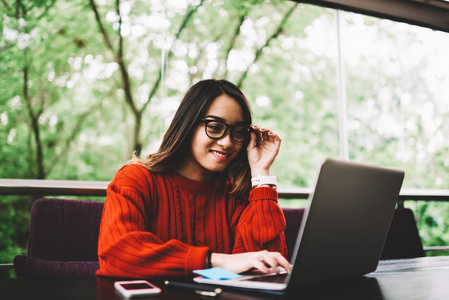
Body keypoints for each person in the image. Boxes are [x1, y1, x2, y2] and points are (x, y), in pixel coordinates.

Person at [96, 79, 290, 278]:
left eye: (238, 132)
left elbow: (268, 268)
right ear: (187, 125)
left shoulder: (235, 195)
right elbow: (118, 254)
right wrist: (216, 260)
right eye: (215, 127)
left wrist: (260, 174)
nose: (227, 142)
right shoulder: (135, 179)